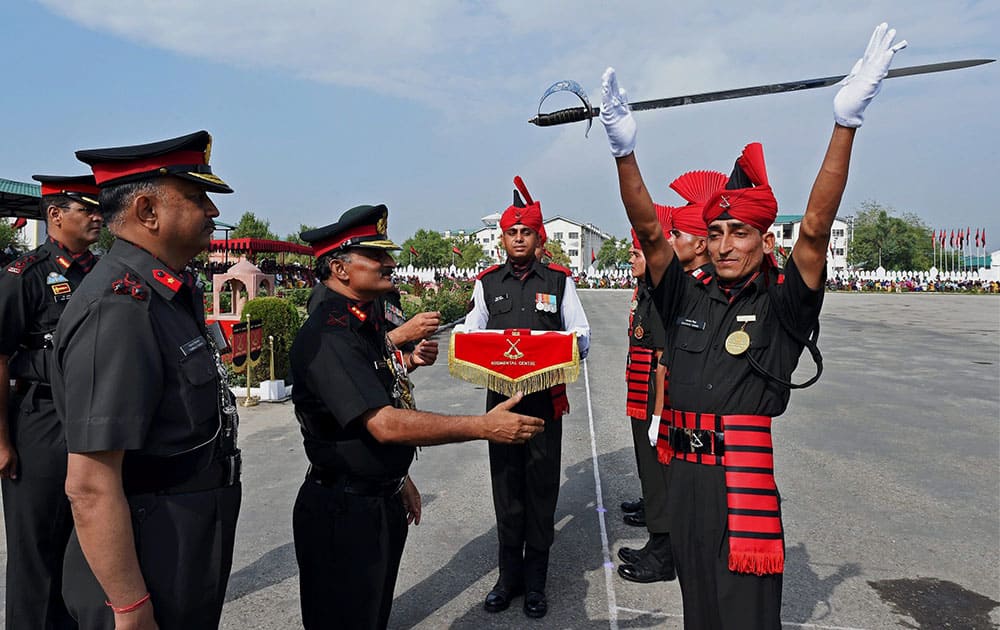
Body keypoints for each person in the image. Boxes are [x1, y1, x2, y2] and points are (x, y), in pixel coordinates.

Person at [599, 22, 906, 629]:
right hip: (683, 476)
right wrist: (623, 152)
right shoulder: (684, 293)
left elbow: (816, 229)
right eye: (714, 233)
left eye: (738, 233)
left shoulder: (782, 307)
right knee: (701, 615)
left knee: (745, 617)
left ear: (766, 241)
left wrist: (845, 123)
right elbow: (653, 234)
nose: (723, 244)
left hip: (739, 484)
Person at [290, 203, 545, 630]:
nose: (390, 263)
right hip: (344, 511)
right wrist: (482, 427)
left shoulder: (359, 324)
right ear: (340, 268)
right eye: (376, 257)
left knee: (371, 615)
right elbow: (383, 422)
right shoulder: (330, 333)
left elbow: (367, 405)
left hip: (375, 498)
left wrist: (396, 477)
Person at [52, 130, 242, 629]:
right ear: (147, 211)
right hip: (145, 548)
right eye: (198, 198)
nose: (213, 213)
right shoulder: (119, 307)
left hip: (181, 535)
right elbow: (90, 483)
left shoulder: (166, 293)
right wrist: (130, 607)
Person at [463, 179, 591, 618]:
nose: (519, 239)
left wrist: (552, 345)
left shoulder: (558, 282)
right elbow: (468, 330)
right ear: (503, 238)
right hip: (499, 405)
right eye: (512, 233)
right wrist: (466, 340)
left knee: (540, 491)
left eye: (527, 233)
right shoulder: (486, 283)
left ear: (540, 239)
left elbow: (582, 333)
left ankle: (536, 582)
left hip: (542, 405)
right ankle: (507, 579)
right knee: (505, 490)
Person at [0, 174, 102, 629]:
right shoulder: (24, 277)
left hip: (92, 419)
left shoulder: (103, 274)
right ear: (56, 215)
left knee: (85, 546)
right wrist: (2, 442)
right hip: (39, 422)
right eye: (88, 209)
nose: (99, 217)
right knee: (36, 549)